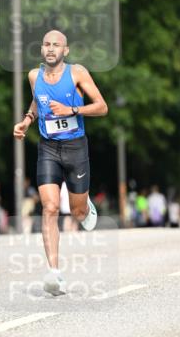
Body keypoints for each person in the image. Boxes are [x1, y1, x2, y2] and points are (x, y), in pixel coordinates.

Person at [13, 29, 109, 296]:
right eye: (46, 44)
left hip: (76, 148)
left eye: (57, 45)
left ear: (65, 50)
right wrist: (27, 120)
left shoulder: (77, 73)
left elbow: (102, 107)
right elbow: (36, 103)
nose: (51, 48)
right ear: (42, 49)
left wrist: (73, 110)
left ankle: (83, 204)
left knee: (77, 213)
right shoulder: (34, 76)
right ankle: (54, 273)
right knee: (50, 207)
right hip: (48, 148)